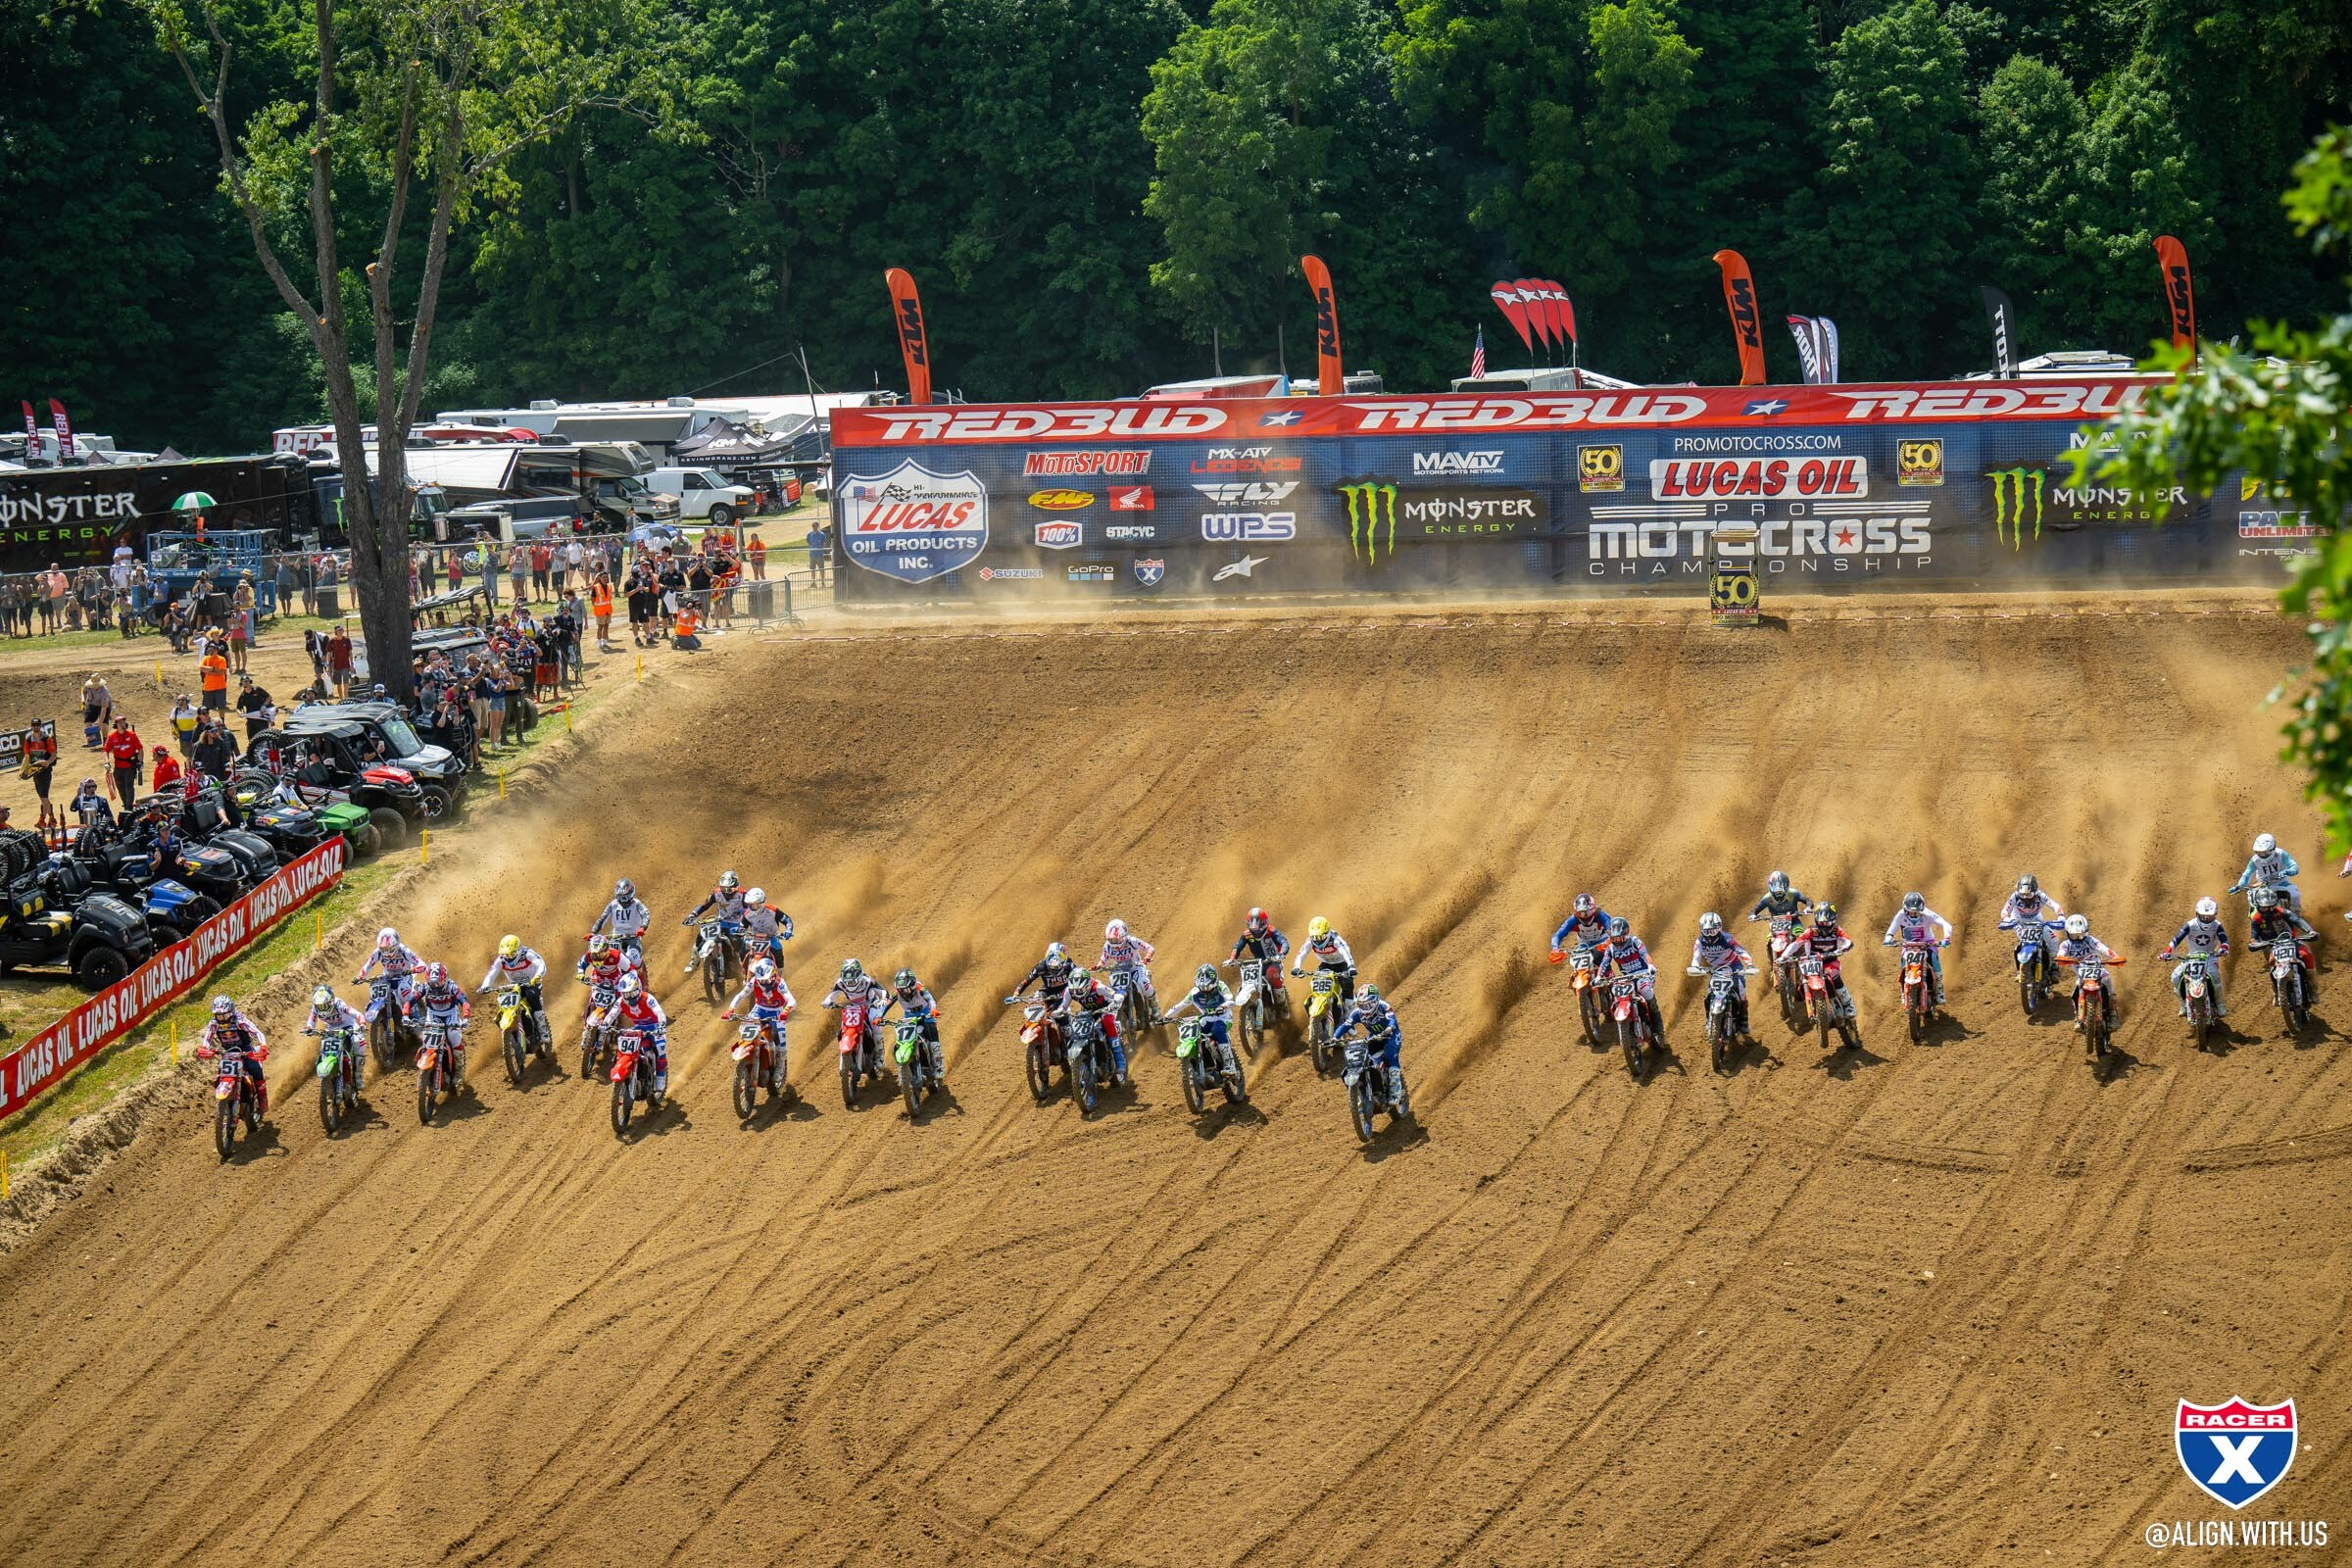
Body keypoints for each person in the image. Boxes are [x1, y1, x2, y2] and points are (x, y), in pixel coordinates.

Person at [721, 958, 798, 1091]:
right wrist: (731, 1009)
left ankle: (780, 1065)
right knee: (746, 1026)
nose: (764, 982)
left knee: (780, 1036)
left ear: (773, 975)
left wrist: (786, 1010)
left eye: (766, 980)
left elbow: (792, 1001)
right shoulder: (754, 982)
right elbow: (741, 995)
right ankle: (747, 1049)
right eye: (761, 980)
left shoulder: (780, 983)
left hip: (776, 1012)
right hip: (759, 1009)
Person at [1334, 982, 1407, 1109]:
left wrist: (1389, 1028)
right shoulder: (1357, 1013)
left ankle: (1395, 1087)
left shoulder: (1384, 1007)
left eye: (1367, 1005)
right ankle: (1364, 1090)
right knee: (1365, 1057)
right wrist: (1335, 1037)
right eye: (1362, 1005)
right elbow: (1346, 1025)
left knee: (1390, 1052)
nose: (1364, 1008)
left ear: (1375, 1002)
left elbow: (1392, 1020)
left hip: (1391, 1035)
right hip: (1374, 1037)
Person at [1781, 904, 1857, 1026]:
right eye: (1821, 923)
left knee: (1832, 974)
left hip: (1830, 961)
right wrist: (1784, 956)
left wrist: (1842, 948)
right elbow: (1796, 943)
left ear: (1833, 920)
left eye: (1827, 923)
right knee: (1801, 982)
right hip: (1811, 962)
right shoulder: (1811, 931)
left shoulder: (1837, 930)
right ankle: (1815, 1008)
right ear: (1817, 920)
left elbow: (1848, 941)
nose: (1824, 926)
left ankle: (1848, 1004)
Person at [194, 995, 270, 1117]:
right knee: (220, 1073)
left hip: (244, 1049)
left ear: (231, 1012)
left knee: (255, 1068)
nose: (222, 1019)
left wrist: (263, 1046)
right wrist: (204, 1048)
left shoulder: (239, 1020)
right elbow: (207, 1038)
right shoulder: (214, 1023)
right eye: (218, 1016)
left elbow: (257, 1032)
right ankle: (226, 1097)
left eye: (224, 1015)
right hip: (227, 1051)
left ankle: (262, 1099)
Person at [1594, 915, 1667, 1041]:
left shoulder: (1634, 941)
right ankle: (1627, 1023)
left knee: (1646, 991)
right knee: (1617, 994)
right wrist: (1599, 977)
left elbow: (1645, 954)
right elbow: (1604, 963)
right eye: (1614, 938)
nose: (1617, 940)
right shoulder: (1610, 948)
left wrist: (1650, 965)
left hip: (1643, 973)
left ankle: (1657, 1027)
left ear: (1626, 933)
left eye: (1620, 937)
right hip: (1626, 977)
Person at [1686, 911, 1757, 1039]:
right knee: (1709, 994)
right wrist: (1695, 967)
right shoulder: (1700, 942)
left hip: (1734, 966)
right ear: (1701, 929)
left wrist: (1750, 964)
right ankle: (1709, 1020)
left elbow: (1741, 951)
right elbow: (1696, 957)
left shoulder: (1727, 939)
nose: (1710, 934)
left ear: (1719, 928)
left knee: (1741, 991)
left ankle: (1744, 1021)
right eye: (1706, 931)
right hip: (1716, 969)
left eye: (1712, 931)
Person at [2051, 913, 2128, 1028]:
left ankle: (2113, 1015)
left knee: (2107, 979)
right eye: (2074, 935)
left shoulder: (2091, 940)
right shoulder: (2066, 944)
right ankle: (2079, 1017)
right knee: (2076, 989)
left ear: (2086, 932)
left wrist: (2115, 957)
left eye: (2080, 935)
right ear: (2068, 933)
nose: (2077, 938)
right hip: (2081, 972)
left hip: (2097, 968)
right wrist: (2061, 958)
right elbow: (2060, 954)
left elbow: (2104, 949)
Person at [2160, 897, 2232, 1017]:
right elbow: (2176, 939)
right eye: (2203, 916)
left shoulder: (2217, 925)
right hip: (2191, 957)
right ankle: (2183, 1004)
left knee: (2215, 977)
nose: (2206, 919)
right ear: (2197, 914)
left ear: (2215, 915)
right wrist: (2166, 952)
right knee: (2175, 977)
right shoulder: (2190, 924)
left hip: (2210, 956)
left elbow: (2225, 941)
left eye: (2209, 917)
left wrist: (2223, 949)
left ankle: (2220, 1005)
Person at [2246, 887, 2320, 1004]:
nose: (2268, 910)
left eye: (2270, 906)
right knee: (2271, 962)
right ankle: (2276, 991)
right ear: (2258, 906)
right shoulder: (2256, 919)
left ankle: (2313, 989)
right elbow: (2254, 935)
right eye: (2264, 907)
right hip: (2274, 946)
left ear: (2275, 904)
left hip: (2292, 941)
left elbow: (2297, 920)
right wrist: (2254, 943)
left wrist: (2310, 931)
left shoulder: (2282, 912)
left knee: (2306, 955)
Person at [1881, 891, 1954, 1006]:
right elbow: (1892, 929)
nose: (1913, 915)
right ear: (1905, 910)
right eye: (1911, 913)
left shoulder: (1928, 914)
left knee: (1934, 960)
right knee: (1903, 964)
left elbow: (1946, 924)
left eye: (1916, 912)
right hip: (1909, 945)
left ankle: (1939, 991)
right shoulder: (1900, 915)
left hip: (1927, 944)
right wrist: (1888, 938)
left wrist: (1946, 938)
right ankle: (1903, 991)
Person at [477, 934, 551, 1047]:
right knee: (504, 1004)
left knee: (532, 996)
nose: (509, 957)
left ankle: (543, 1031)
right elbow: (491, 974)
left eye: (512, 953)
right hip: (514, 986)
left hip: (531, 984)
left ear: (519, 949)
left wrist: (537, 976)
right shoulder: (501, 960)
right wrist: (485, 986)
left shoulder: (528, 954)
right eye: (506, 954)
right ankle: (511, 1033)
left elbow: (541, 965)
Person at [878, 967, 946, 1087]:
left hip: (925, 1014)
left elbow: (930, 998)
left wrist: (933, 1009)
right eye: (902, 989)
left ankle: (938, 1067)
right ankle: (903, 1071)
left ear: (913, 985)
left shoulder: (920, 988)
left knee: (933, 1039)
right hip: (909, 1017)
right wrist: (879, 1016)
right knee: (901, 1041)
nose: (905, 992)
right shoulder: (897, 993)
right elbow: (886, 1005)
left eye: (907, 989)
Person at [1063, 965, 1129, 1086]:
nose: (1077, 993)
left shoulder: (1098, 987)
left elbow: (1115, 993)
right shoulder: (1070, 990)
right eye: (1075, 990)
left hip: (1106, 1008)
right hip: (1089, 1011)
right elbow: (1064, 1007)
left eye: (1080, 990)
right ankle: (1085, 1055)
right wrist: (1059, 1012)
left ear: (1088, 985)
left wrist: (1117, 998)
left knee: (1108, 1022)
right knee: (1078, 1026)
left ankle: (1119, 1060)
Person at [823, 958, 890, 1070]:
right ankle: (846, 1047)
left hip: (870, 1005)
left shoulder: (867, 981)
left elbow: (883, 991)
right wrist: (827, 1002)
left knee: (875, 1025)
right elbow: (831, 995)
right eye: (846, 976)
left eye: (851, 976)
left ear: (858, 973)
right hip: (853, 1007)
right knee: (843, 1026)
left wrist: (883, 999)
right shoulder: (839, 983)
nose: (849, 980)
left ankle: (880, 1057)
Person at [414, 961, 473, 1086]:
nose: (435, 986)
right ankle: (424, 1066)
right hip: (433, 1014)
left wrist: (466, 1016)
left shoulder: (452, 987)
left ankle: (459, 1071)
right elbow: (411, 1000)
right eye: (432, 982)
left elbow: (464, 1001)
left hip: (450, 1014)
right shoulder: (425, 987)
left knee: (455, 1037)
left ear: (444, 979)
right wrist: (404, 1014)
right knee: (426, 1040)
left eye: (438, 982)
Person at [302, 983, 368, 1091]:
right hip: (332, 1029)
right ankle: (327, 1076)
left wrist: (361, 1023)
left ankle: (358, 1077)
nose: (322, 1009)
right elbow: (312, 1020)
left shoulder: (339, 1004)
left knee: (358, 1042)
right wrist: (309, 1028)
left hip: (349, 1026)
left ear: (331, 1000)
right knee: (324, 1049)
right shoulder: (315, 1008)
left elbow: (356, 1014)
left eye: (325, 1005)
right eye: (320, 1006)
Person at [1160, 963, 1236, 1057]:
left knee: (1217, 1030)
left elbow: (1232, 1000)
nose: (1205, 991)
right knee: (1195, 1035)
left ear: (1214, 982)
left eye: (1208, 988)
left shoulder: (1221, 986)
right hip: (1206, 1019)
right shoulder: (1194, 992)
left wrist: (1223, 1007)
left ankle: (1229, 1064)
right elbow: (1182, 1004)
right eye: (1202, 989)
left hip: (1224, 1018)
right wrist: (1167, 1016)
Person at [681, 870, 748, 971]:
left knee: (736, 941)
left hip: (736, 924)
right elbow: (705, 905)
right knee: (701, 936)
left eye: (730, 890)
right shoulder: (717, 893)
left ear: (737, 886)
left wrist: (742, 912)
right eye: (724, 889)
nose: (726, 892)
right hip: (721, 922)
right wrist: (692, 915)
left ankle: (743, 967)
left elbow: (750, 910)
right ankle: (694, 962)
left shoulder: (743, 894)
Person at [1997, 875, 2066, 972]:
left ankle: (2053, 963)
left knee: (2053, 938)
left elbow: (2054, 905)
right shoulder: (2015, 897)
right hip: (2018, 921)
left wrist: (2060, 916)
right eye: (2023, 895)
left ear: (2035, 891)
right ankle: (2020, 970)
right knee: (2024, 943)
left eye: (2029, 895)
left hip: (2036, 920)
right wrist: (2006, 919)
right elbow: (2005, 910)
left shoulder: (2041, 896)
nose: (2025, 897)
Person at [355, 926, 427, 1019]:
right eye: (383, 949)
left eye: (388, 949)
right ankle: (377, 1012)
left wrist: (412, 970)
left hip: (404, 976)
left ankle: (414, 1017)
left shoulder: (404, 951)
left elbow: (422, 965)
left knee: (403, 991)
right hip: (387, 977)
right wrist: (360, 976)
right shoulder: (378, 952)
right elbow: (369, 965)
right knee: (377, 991)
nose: (386, 952)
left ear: (395, 944)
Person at [1227, 906, 1291, 1010]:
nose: (1255, 928)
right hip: (1259, 964)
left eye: (1258, 924)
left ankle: (1282, 1003)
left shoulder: (1271, 931)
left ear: (1264, 922)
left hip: (1273, 961)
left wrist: (1282, 953)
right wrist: (1232, 959)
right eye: (1252, 924)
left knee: (1272, 974)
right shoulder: (1247, 934)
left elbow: (1283, 942)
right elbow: (1237, 947)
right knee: (1249, 980)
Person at [2228, 832, 2302, 913]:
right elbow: (2247, 874)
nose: (2262, 855)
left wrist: (2288, 871)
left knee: (2295, 894)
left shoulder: (2281, 854)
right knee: (2251, 898)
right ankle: (2254, 920)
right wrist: (2240, 885)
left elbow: (2294, 867)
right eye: (2259, 852)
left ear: (2272, 849)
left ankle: (2296, 915)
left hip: (2281, 883)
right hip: (2263, 886)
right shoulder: (2255, 860)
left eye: (2265, 852)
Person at [1290, 914, 1356, 1003]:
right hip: (1325, 965)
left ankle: (1349, 1010)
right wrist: (1296, 967)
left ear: (1327, 932)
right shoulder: (1310, 942)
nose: (1317, 940)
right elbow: (1302, 954)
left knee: (1347, 984)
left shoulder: (1336, 940)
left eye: (1320, 937)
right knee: (1316, 984)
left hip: (1342, 964)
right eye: (1314, 937)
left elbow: (1345, 953)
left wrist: (1351, 966)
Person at [1098, 917, 1158, 1011]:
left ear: (1124, 936)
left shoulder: (1132, 941)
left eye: (1117, 940)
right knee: (1111, 992)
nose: (1114, 943)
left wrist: (1147, 957)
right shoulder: (1108, 946)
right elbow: (1103, 959)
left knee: (1144, 985)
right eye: (1112, 940)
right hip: (1119, 971)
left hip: (1135, 967)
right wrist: (1100, 966)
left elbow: (1149, 948)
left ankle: (1154, 1004)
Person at [592, 878, 653, 960]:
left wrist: (643, 927)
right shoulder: (613, 904)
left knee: (632, 957)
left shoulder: (637, 904)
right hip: (615, 938)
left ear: (631, 894)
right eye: (620, 897)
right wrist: (593, 932)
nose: (623, 900)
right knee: (604, 957)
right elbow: (602, 918)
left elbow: (646, 915)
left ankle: (640, 972)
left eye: (625, 897)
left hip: (633, 938)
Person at [1549, 893, 1614, 962]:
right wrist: (1555, 949)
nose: (1584, 916)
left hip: (1603, 941)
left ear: (1593, 909)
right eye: (1580, 913)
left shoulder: (1600, 915)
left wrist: (1610, 940)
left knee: (1599, 957)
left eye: (1587, 912)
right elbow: (1557, 935)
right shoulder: (1573, 920)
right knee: (1577, 961)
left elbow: (1611, 929)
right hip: (1584, 944)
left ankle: (1607, 972)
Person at [19, 718, 58, 832]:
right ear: (31, 726)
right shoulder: (28, 739)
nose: (35, 726)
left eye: (37, 725)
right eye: (33, 725)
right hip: (35, 771)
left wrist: (48, 762)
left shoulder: (46, 738)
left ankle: (51, 819)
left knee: (44, 797)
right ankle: (43, 820)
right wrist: (22, 771)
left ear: (40, 726)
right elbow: (26, 756)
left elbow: (54, 754)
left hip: (45, 771)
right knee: (42, 798)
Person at [1017, 941, 1078, 1012]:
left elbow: (1078, 977)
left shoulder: (1069, 964)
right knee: (1035, 1007)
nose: (1055, 971)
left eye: (1057, 968)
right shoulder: (1041, 967)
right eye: (1052, 968)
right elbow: (1026, 981)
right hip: (1047, 992)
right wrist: (1015, 995)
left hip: (1064, 992)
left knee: (1061, 1014)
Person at [742, 887, 793, 969]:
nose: (753, 908)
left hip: (772, 937)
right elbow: (742, 925)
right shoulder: (747, 914)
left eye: (756, 905)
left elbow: (787, 920)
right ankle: (744, 970)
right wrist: (739, 930)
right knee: (744, 946)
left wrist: (788, 931)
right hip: (755, 938)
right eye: (751, 905)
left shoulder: (772, 910)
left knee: (777, 949)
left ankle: (779, 975)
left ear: (762, 902)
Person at [102, 716, 142, 806]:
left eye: (123, 722)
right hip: (118, 767)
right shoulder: (111, 737)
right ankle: (126, 803)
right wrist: (106, 762)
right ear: (116, 725)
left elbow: (140, 749)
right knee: (120, 786)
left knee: (129, 787)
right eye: (120, 723)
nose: (122, 724)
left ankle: (129, 807)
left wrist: (140, 762)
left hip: (129, 766)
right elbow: (105, 750)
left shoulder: (132, 735)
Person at [191, 716, 236, 782]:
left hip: (220, 774)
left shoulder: (220, 742)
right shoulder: (199, 745)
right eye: (213, 731)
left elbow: (228, 755)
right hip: (205, 776)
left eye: (216, 730)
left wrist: (232, 762)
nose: (215, 732)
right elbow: (194, 761)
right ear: (207, 733)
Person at [236, 673, 275, 741]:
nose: (246, 683)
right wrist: (240, 713)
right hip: (251, 720)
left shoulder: (257, 689)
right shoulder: (242, 696)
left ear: (250, 682)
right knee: (251, 739)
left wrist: (264, 705)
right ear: (241, 684)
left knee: (264, 737)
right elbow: (238, 708)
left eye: (247, 681)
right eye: (244, 682)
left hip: (261, 718)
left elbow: (269, 697)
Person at [79, 673, 112, 749]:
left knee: (104, 723)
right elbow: (83, 691)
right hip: (92, 704)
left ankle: (105, 741)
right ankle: (92, 740)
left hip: (103, 706)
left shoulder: (104, 692)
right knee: (87, 721)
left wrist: (99, 724)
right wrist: (83, 699)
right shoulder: (88, 686)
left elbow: (104, 710)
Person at [198, 643, 229, 712]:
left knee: (221, 708)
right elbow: (201, 668)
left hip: (220, 687)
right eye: (210, 648)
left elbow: (221, 671)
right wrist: (213, 669)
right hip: (208, 687)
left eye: (213, 648)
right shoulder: (205, 658)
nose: (211, 649)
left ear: (216, 650)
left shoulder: (222, 659)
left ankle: (222, 721)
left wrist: (208, 671)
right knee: (206, 709)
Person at [327, 625, 354, 699]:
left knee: (346, 682)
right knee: (338, 683)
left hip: (345, 665)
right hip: (336, 666)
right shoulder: (332, 641)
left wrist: (352, 664)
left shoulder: (347, 640)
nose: (340, 632)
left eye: (342, 630)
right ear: (336, 632)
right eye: (339, 630)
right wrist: (328, 665)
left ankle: (346, 697)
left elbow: (350, 653)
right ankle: (341, 698)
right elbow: (329, 654)